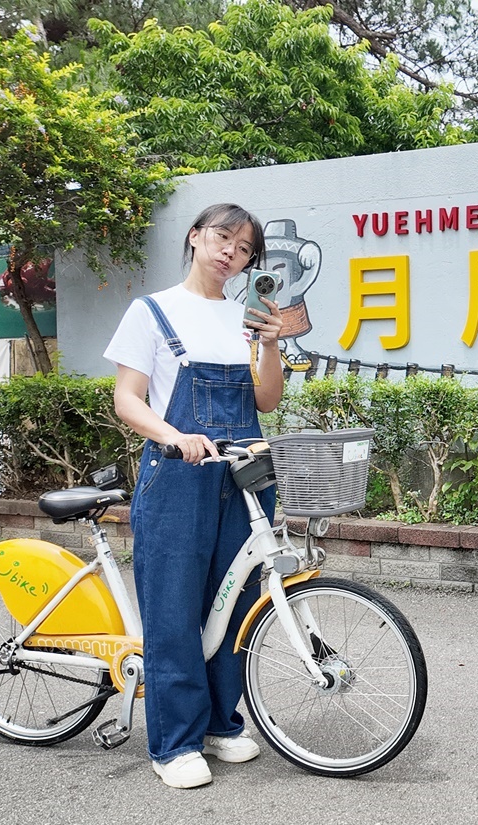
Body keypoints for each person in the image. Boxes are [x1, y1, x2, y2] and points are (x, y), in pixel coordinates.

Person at [104, 203, 285, 788]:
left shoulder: (243, 317)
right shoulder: (152, 310)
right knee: (175, 611)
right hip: (177, 478)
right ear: (196, 237)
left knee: (234, 606)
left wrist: (272, 344)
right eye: (223, 236)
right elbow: (127, 399)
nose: (232, 250)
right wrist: (173, 435)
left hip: (242, 478)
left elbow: (266, 403)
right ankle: (174, 744)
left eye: (244, 246)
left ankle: (220, 725)